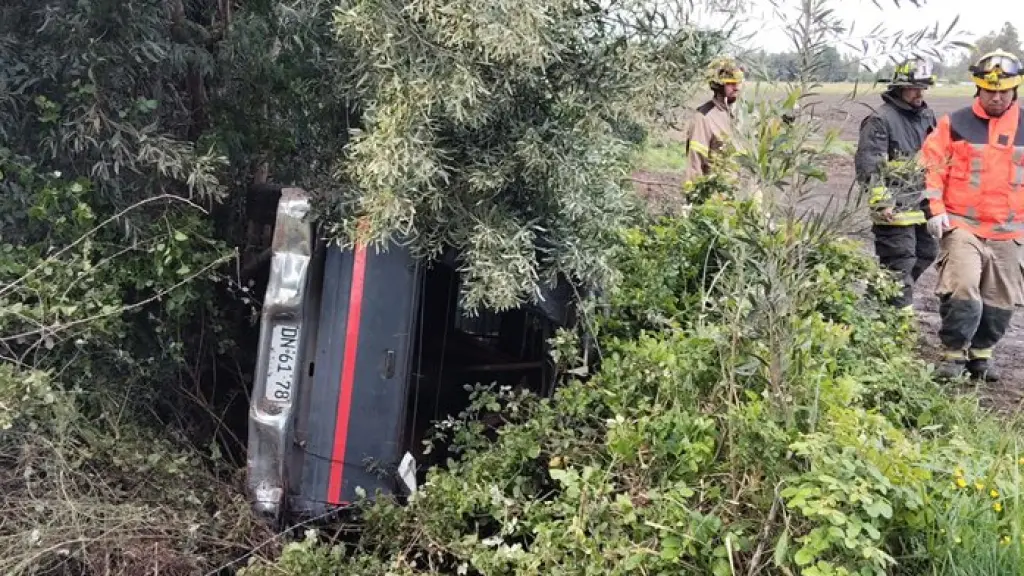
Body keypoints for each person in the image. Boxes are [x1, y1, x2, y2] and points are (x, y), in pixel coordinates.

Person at [920, 49, 1024, 382]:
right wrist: (934, 210)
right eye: (989, 90)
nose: (996, 97)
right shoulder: (956, 124)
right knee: (962, 287)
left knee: (1000, 302)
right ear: (978, 88)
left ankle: (981, 356)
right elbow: (931, 168)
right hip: (963, 225)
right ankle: (953, 355)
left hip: (1009, 231)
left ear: (1014, 90)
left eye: (1003, 91)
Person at [854, 57, 938, 311]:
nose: (919, 93)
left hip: (921, 203)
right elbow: (870, 164)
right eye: (914, 88)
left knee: (927, 252)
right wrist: (882, 203)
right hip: (894, 209)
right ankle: (899, 319)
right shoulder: (880, 120)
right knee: (900, 260)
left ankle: (879, 301)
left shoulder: (926, 116)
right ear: (899, 87)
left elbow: (935, 156)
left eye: (922, 88)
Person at [683, 56, 744, 185]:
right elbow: (695, 164)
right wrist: (695, 199)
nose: (737, 87)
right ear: (718, 85)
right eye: (731, 83)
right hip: (714, 198)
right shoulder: (704, 117)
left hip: (737, 198)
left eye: (738, 82)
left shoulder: (741, 115)